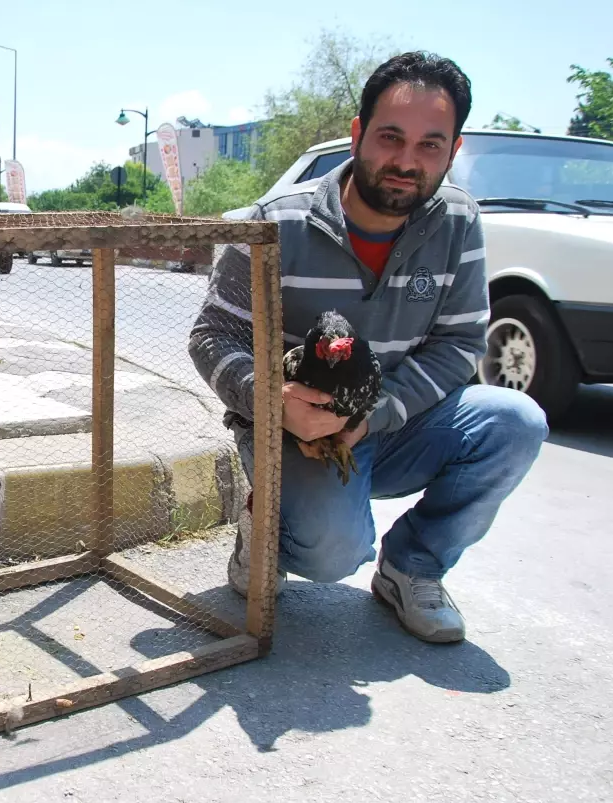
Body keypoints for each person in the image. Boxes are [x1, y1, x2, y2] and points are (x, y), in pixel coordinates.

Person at [188, 51, 548, 643]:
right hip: (295, 433)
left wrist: (377, 412)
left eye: (430, 145)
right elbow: (213, 336)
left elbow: (459, 344)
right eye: (390, 137)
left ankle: (413, 566)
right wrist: (276, 401)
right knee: (330, 560)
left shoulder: (458, 220)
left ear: (453, 150)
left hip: (398, 421)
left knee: (516, 422)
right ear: (358, 134)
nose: (406, 162)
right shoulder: (275, 224)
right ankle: (266, 525)